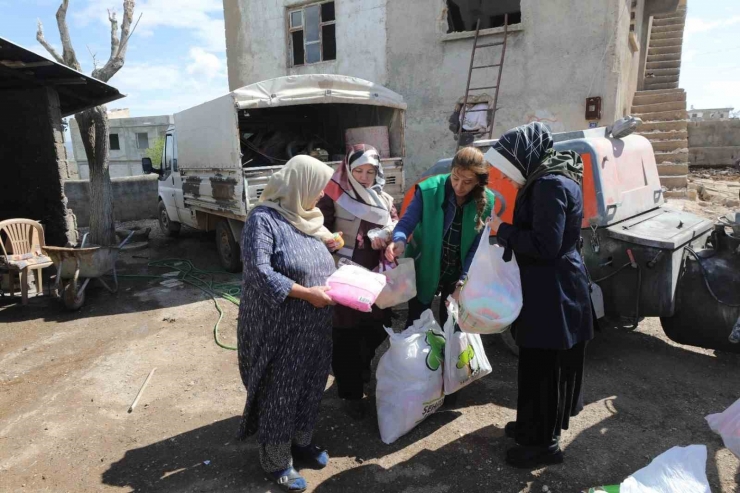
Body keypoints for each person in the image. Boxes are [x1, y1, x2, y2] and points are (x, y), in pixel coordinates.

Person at [485, 122, 594, 469]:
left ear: (523, 157)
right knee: (534, 365)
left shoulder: (548, 184)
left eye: (508, 167)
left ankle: (544, 445)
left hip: (553, 293)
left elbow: (545, 245)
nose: (508, 177)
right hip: (551, 288)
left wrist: (503, 230)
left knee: (544, 369)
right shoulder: (553, 175)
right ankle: (531, 427)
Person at [236, 155, 338, 492]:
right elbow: (258, 272)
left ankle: (301, 441)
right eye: (317, 187)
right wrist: (307, 293)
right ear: (299, 185)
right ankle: (277, 461)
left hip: (315, 326)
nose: (321, 195)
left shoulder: (308, 219)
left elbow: (311, 259)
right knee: (280, 392)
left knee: (311, 384)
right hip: (279, 328)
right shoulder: (262, 220)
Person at [317, 144, 399, 419]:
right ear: (348, 170)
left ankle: (362, 368)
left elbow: (396, 223)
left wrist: (387, 235)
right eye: (358, 170)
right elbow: (318, 228)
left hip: (375, 276)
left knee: (377, 327)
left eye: (370, 171)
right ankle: (350, 393)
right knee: (345, 335)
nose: (364, 177)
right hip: (344, 277)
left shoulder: (384, 199)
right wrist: (333, 240)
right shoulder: (333, 196)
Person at [386, 146, 495, 329]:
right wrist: (398, 240)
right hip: (426, 267)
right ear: (450, 171)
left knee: (452, 326)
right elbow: (405, 224)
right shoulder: (429, 190)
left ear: (478, 181)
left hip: (457, 273)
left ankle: (447, 357)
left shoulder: (487, 201)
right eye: (455, 178)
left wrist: (462, 282)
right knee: (416, 324)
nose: (459, 186)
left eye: (468, 182)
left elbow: (477, 247)